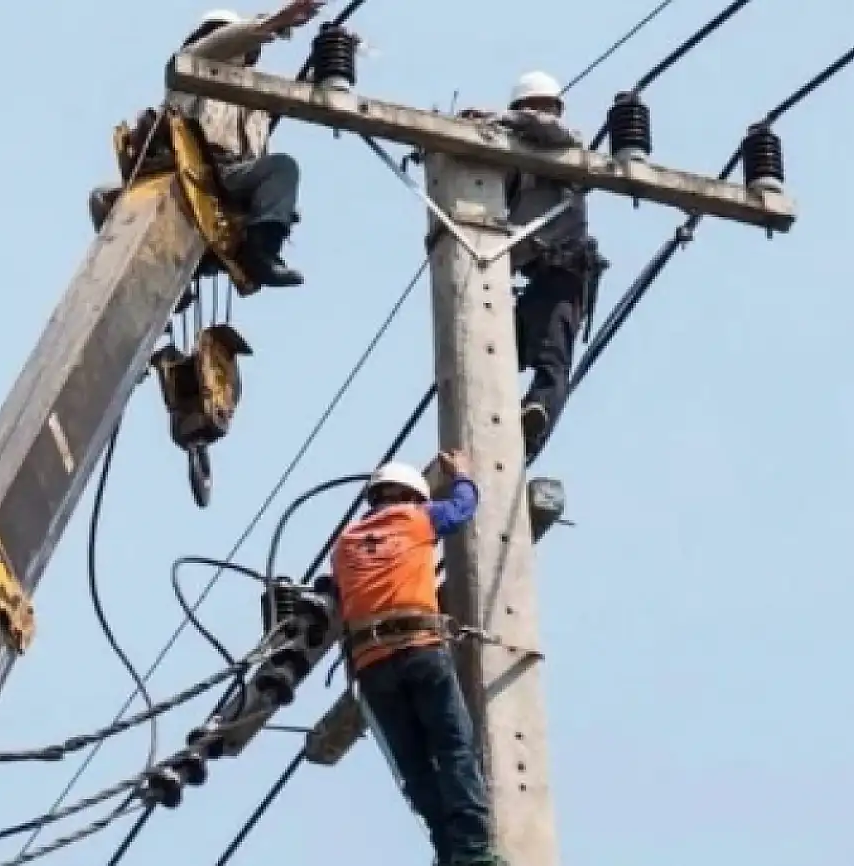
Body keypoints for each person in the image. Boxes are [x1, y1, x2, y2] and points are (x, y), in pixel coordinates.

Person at [331, 453, 504, 866]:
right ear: (414, 496)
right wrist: (463, 473)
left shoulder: (345, 545)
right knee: (454, 750)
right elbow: (463, 507)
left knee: (417, 768)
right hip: (419, 651)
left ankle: (447, 850)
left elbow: (340, 599)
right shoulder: (416, 519)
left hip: (373, 667)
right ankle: (472, 852)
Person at [88, 1, 323, 287]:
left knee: (281, 169)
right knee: (103, 197)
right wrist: (276, 21)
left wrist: (333, 57)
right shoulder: (192, 65)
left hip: (232, 181)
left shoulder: (257, 96)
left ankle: (259, 254)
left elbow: (305, 94)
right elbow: (224, 41)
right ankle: (147, 274)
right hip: (193, 169)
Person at [462, 71, 608, 460]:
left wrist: (498, 118)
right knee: (492, 350)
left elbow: (547, 130)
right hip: (535, 279)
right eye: (531, 107)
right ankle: (492, 426)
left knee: (552, 360)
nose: (539, 114)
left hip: (564, 275)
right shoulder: (513, 165)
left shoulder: (567, 147)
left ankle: (534, 422)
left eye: (544, 108)